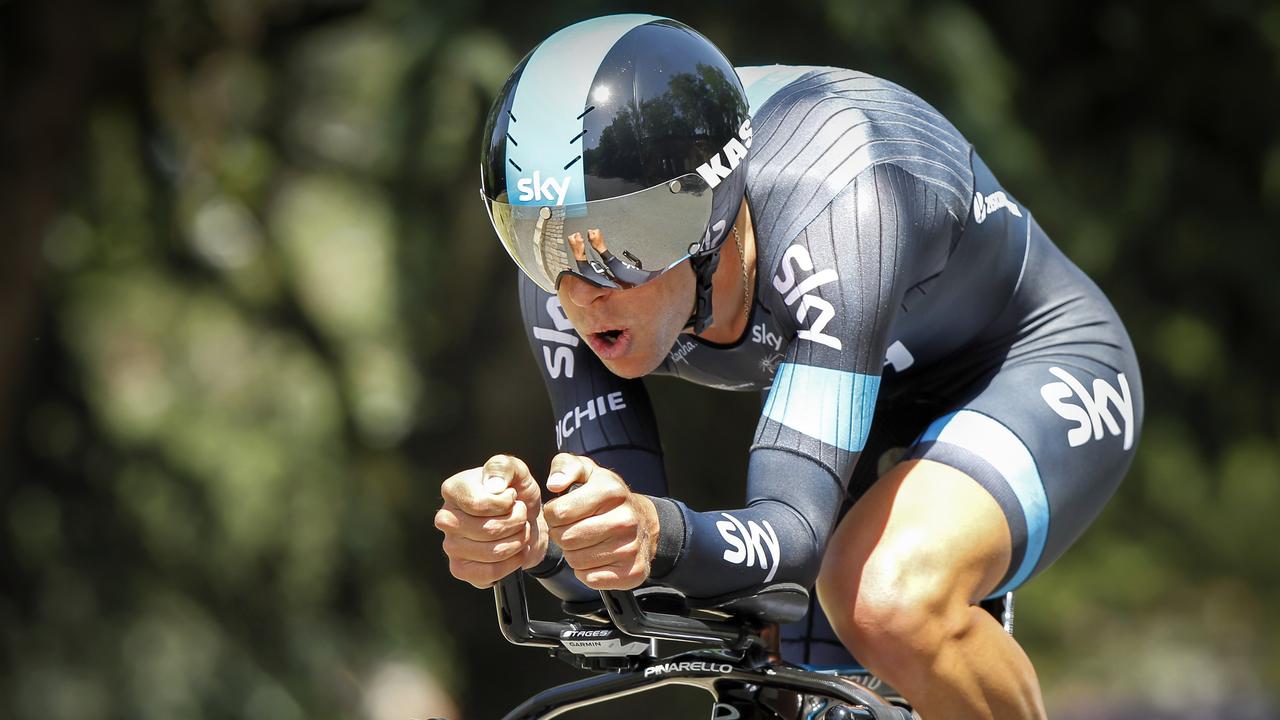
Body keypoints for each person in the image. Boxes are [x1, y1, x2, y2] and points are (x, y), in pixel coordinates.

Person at [434, 13, 1143, 720]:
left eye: (619, 245)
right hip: (858, 393)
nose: (580, 291)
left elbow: (791, 533)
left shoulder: (841, 201)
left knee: (887, 601)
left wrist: (658, 532)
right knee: (785, 696)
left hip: (1027, 361)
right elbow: (630, 583)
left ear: (707, 212)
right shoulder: (560, 280)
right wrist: (539, 544)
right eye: (538, 242)